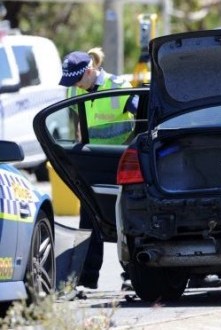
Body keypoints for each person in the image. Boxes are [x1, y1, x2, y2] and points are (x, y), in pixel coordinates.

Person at [59, 47, 135, 290]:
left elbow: (142, 117)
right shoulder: (73, 88)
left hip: (121, 161)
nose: (76, 85)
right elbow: (77, 122)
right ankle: (86, 279)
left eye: (78, 79)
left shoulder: (119, 85)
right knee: (89, 220)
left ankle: (133, 276)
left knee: (128, 219)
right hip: (92, 162)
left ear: (90, 70)